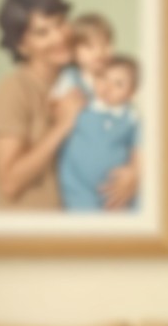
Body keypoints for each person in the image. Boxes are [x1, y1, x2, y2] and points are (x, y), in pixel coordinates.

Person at [0, 0, 85, 209]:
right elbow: (10, 184)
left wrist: (136, 170)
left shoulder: (81, 79)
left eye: (60, 23)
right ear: (22, 46)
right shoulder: (13, 89)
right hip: (24, 236)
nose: (59, 37)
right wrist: (63, 125)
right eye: (42, 32)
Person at [57, 55, 142, 211]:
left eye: (119, 84)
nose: (107, 87)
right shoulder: (81, 106)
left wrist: (134, 170)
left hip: (116, 194)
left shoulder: (131, 118)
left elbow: (139, 149)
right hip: (79, 191)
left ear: (131, 93)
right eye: (103, 78)